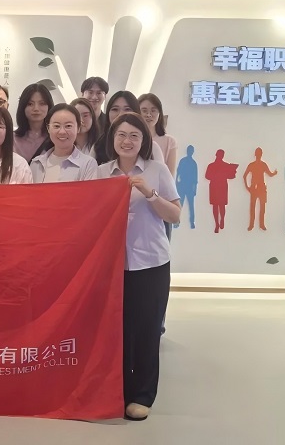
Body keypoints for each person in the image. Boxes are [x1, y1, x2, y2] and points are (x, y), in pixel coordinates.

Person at [97, 112, 180, 421]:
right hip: (111, 265)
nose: (127, 141)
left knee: (146, 330)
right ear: (112, 139)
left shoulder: (157, 170)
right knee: (116, 331)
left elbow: (175, 215)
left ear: (143, 141)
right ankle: (117, 391)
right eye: (121, 135)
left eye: (134, 135)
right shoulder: (101, 173)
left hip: (151, 263)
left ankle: (142, 395)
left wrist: (150, 194)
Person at [31, 104, 97, 183]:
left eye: (68, 126)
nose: (62, 132)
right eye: (56, 126)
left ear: (78, 128)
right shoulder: (36, 163)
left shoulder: (88, 164)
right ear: (48, 128)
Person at [13, 83, 54, 163]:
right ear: (23, 107)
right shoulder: (13, 139)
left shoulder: (55, 137)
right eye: (30, 104)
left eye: (42, 103)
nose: (36, 109)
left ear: (49, 106)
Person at [139, 93, 177, 176]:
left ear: (159, 113)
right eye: (144, 111)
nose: (149, 115)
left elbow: (170, 176)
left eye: (153, 111)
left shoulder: (169, 141)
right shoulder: (132, 139)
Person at [243, 147, 278, 231]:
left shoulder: (263, 164)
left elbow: (270, 174)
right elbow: (244, 176)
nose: (259, 155)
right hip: (254, 188)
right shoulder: (252, 165)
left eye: (259, 153)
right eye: (258, 153)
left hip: (261, 188)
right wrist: (247, 187)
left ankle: (261, 224)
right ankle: (252, 225)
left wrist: (274, 173)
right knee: (253, 207)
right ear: (256, 154)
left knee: (262, 207)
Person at [205, 149, 239, 233]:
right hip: (216, 187)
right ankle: (217, 223)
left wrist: (233, 170)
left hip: (221, 187)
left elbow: (231, 176)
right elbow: (207, 176)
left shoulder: (224, 165)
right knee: (217, 206)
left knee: (221, 205)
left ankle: (221, 220)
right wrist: (218, 176)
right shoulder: (212, 166)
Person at [175, 145, 199, 229]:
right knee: (180, 205)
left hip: (189, 186)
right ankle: (176, 222)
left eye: (191, 151)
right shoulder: (183, 161)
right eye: (189, 150)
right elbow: (178, 172)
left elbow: (195, 178)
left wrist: (194, 189)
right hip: (182, 185)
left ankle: (192, 222)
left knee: (191, 206)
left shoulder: (193, 163)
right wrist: (176, 183)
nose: (190, 152)